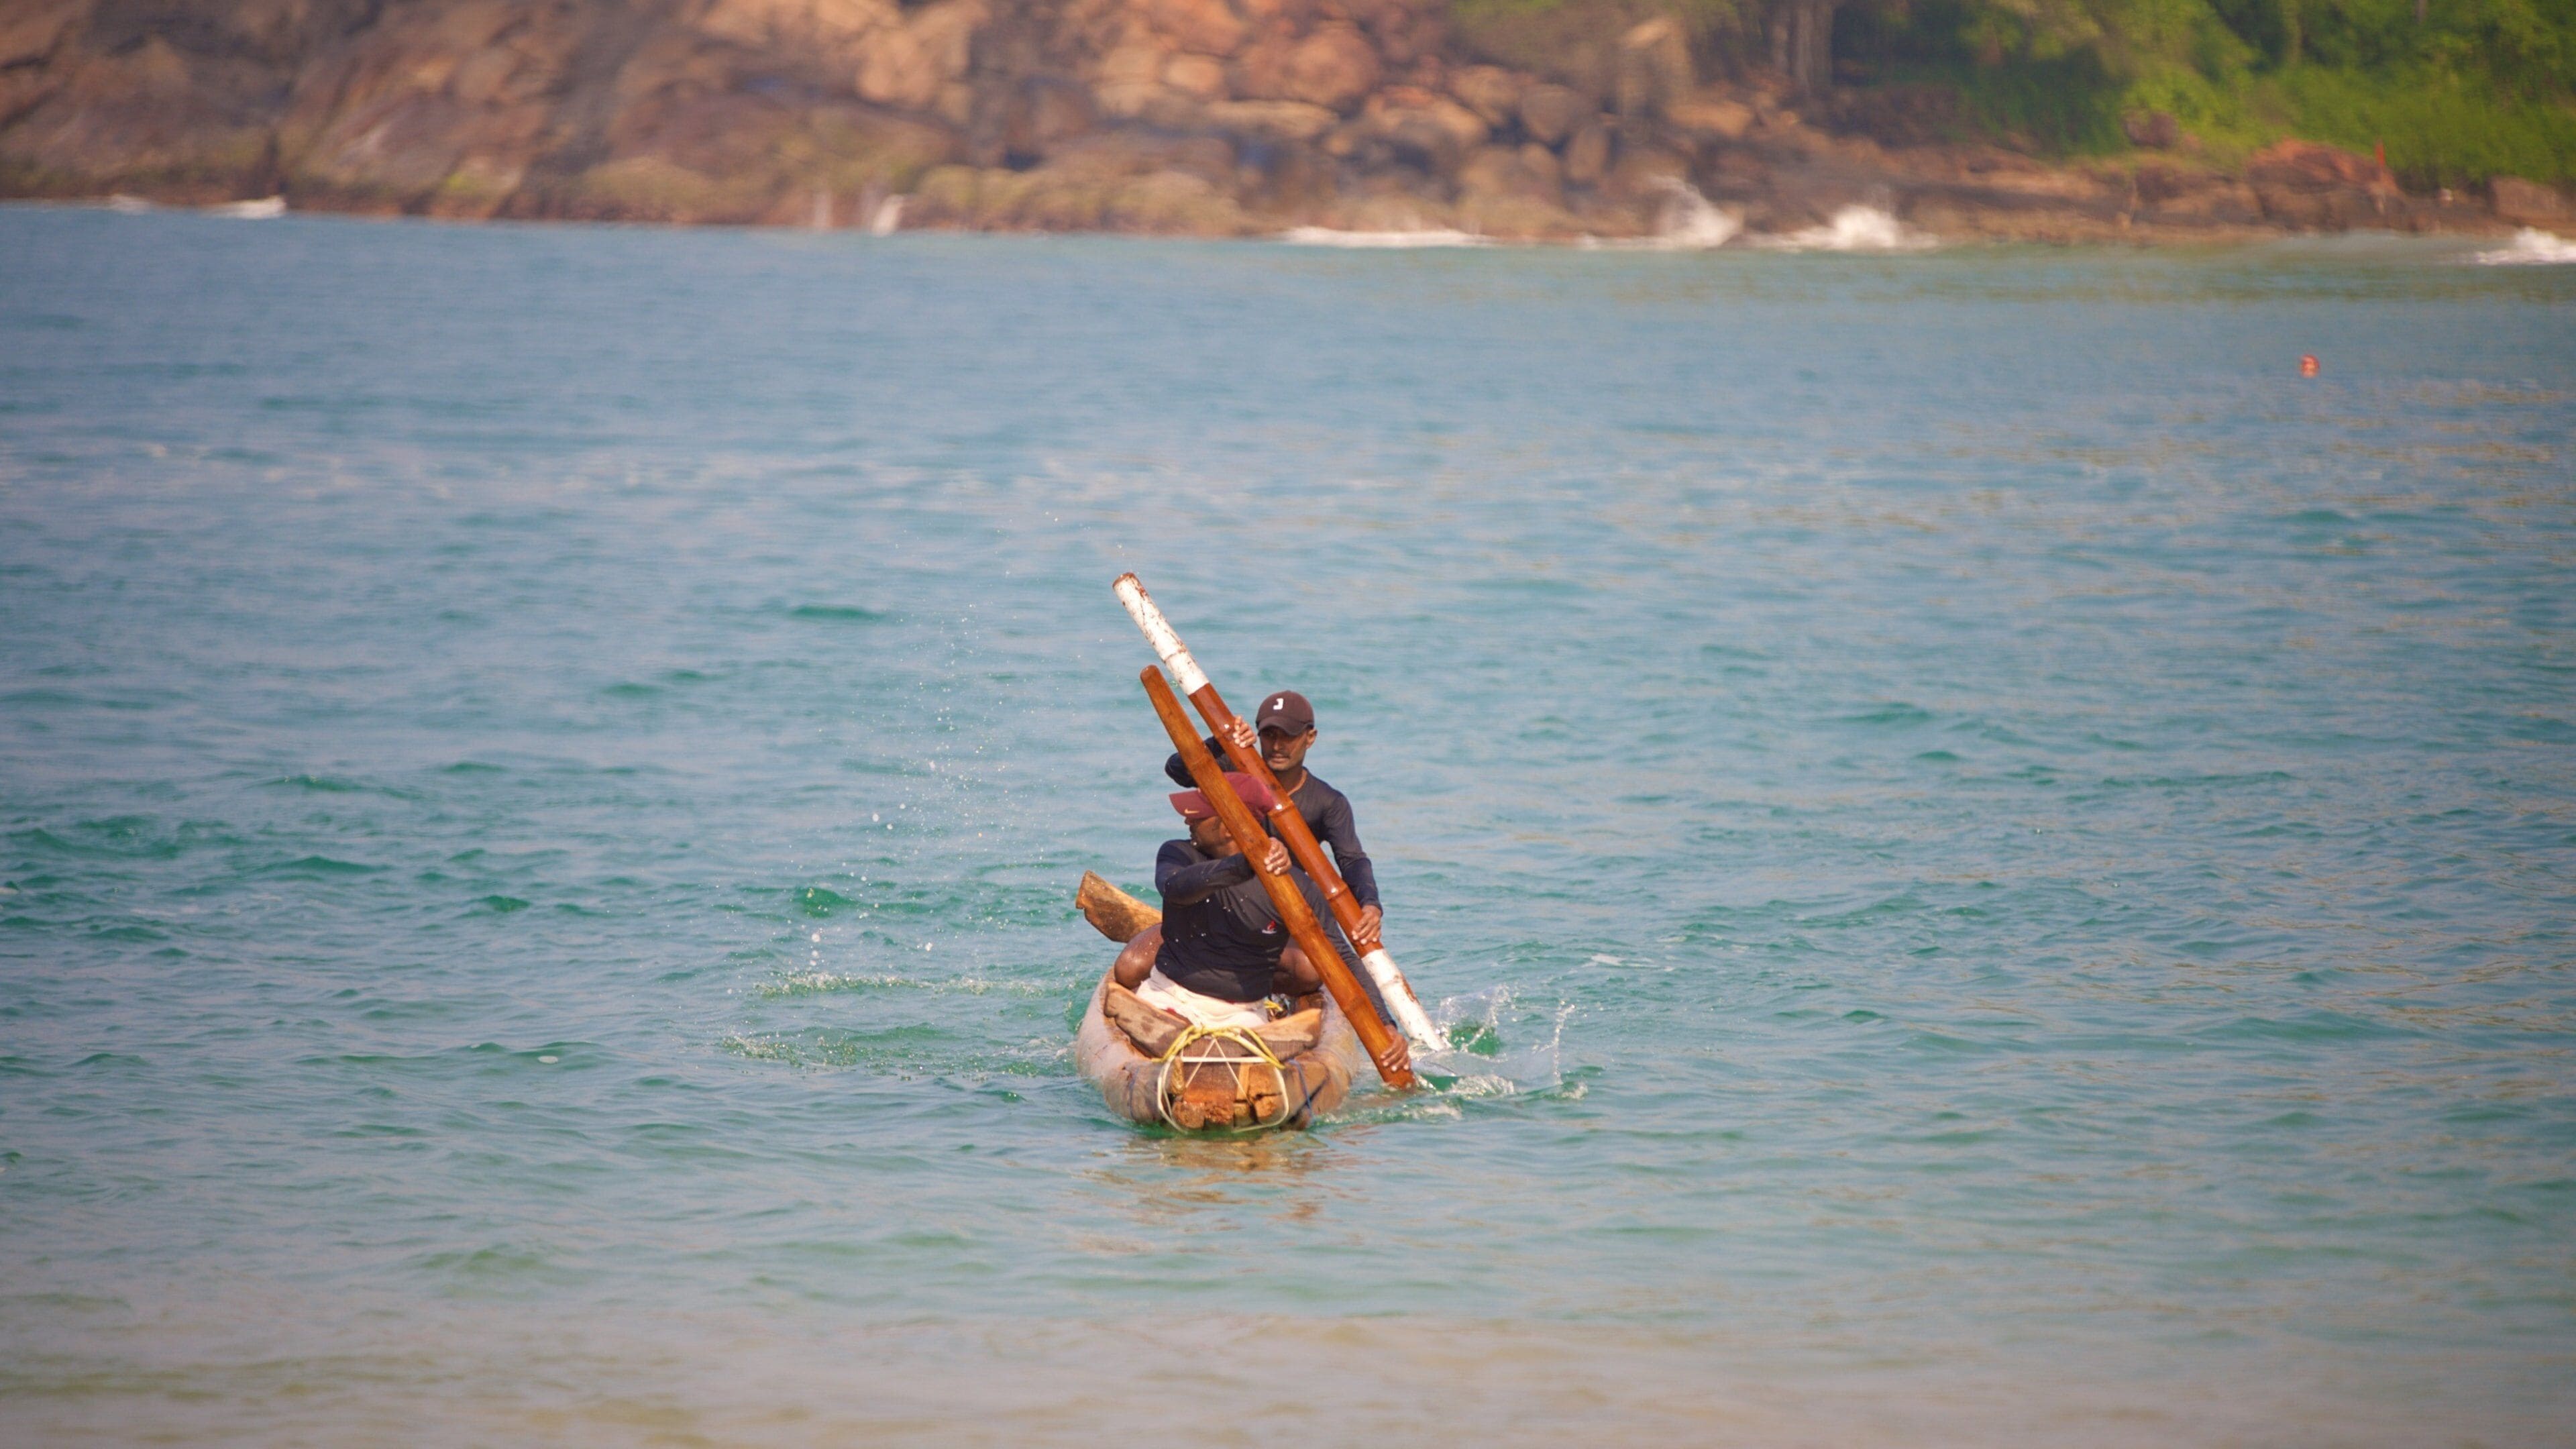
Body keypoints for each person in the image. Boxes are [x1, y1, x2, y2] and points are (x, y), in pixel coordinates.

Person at [1112, 773, 1410, 1078]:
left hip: (1244, 1015)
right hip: (1170, 997)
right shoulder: (1179, 853)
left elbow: (1343, 959)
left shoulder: (1294, 886)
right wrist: (1243, 865)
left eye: (1200, 815)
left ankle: (1235, 1047)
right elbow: (1175, 887)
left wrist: (1386, 1026)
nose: (1189, 821)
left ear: (1228, 828)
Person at [1161, 689, 1383, 942]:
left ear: (1310, 738)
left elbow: (1352, 860)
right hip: (1221, 897)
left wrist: (1370, 904)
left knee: (1305, 970)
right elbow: (1176, 770)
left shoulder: (1328, 802)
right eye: (1269, 735)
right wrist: (1220, 741)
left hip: (1277, 912)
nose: (1277, 746)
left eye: (1288, 737)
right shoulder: (1234, 768)